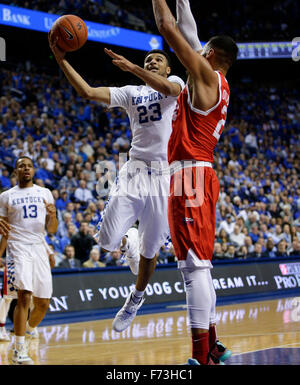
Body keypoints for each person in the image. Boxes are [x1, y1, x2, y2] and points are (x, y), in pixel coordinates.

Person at [49, 29, 185, 328]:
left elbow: (168, 90)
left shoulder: (175, 83)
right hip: (135, 169)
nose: (151, 62)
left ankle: (135, 299)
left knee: (150, 253)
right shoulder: (130, 92)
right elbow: (87, 91)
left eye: (157, 59)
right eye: (148, 59)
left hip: (165, 176)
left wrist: (132, 66)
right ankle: (128, 239)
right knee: (107, 241)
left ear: (168, 68)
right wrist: (61, 59)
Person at [152, 0, 238, 365]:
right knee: (199, 265)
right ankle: (214, 346)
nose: (196, 47)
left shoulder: (204, 76)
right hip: (198, 172)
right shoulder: (217, 80)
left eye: (202, 49)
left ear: (210, 54)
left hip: (190, 175)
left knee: (193, 268)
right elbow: (189, 31)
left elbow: (169, 30)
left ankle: (200, 356)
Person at [0, 156, 58, 365]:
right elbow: (4, 230)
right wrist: (0, 254)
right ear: (15, 171)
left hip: (39, 249)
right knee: (24, 296)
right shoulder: (6, 196)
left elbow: (51, 230)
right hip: (18, 249)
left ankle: (28, 330)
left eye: (29, 166)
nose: (26, 168)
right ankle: (18, 349)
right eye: (21, 166)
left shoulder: (45, 193)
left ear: (33, 170)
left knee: (42, 303)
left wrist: (53, 216)